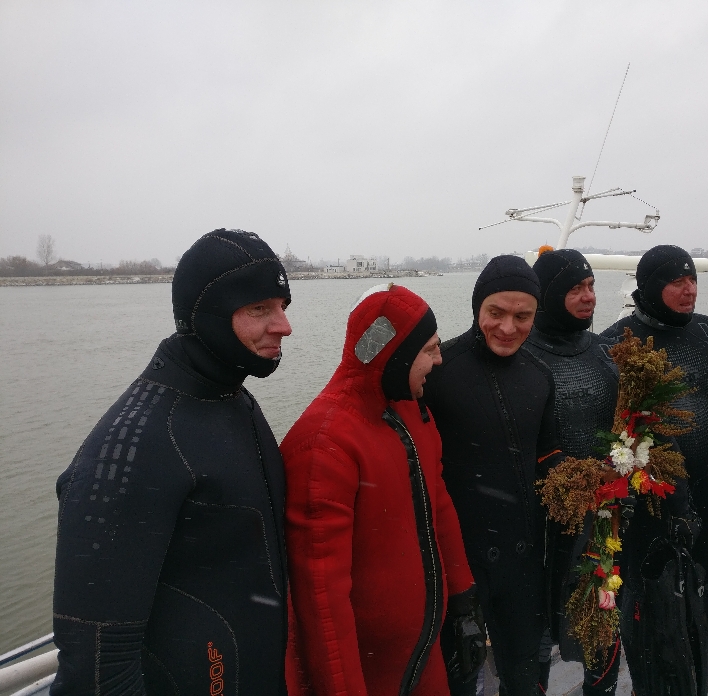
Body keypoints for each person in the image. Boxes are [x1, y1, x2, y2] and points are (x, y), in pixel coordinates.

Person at [51, 229, 293, 694]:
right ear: (207, 314)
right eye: (260, 309)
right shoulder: (130, 449)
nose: (284, 326)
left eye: (282, 306)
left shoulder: (232, 400)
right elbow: (96, 671)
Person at [282, 283, 480, 696]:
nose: (439, 360)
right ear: (397, 354)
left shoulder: (410, 408)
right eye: (429, 349)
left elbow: (439, 504)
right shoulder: (324, 443)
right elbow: (322, 601)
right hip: (373, 673)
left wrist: (463, 600)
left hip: (423, 655)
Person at [524, 248, 700, 695]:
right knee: (536, 636)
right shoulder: (521, 360)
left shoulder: (607, 354)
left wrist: (681, 505)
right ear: (546, 296)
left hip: (606, 527)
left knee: (603, 626)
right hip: (541, 529)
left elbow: (652, 431)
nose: (588, 297)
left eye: (591, 286)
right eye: (575, 289)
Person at [601, 245, 708, 696]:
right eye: (677, 282)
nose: (689, 289)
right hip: (649, 497)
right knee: (656, 602)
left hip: (707, 484)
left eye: (693, 280)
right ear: (651, 286)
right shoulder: (616, 343)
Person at [424, 256, 562, 696]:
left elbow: (549, 457)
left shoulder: (539, 375)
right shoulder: (439, 371)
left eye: (523, 316)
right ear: (476, 308)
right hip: (457, 559)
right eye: (495, 313)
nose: (507, 328)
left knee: (524, 674)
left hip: (523, 560)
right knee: (459, 679)